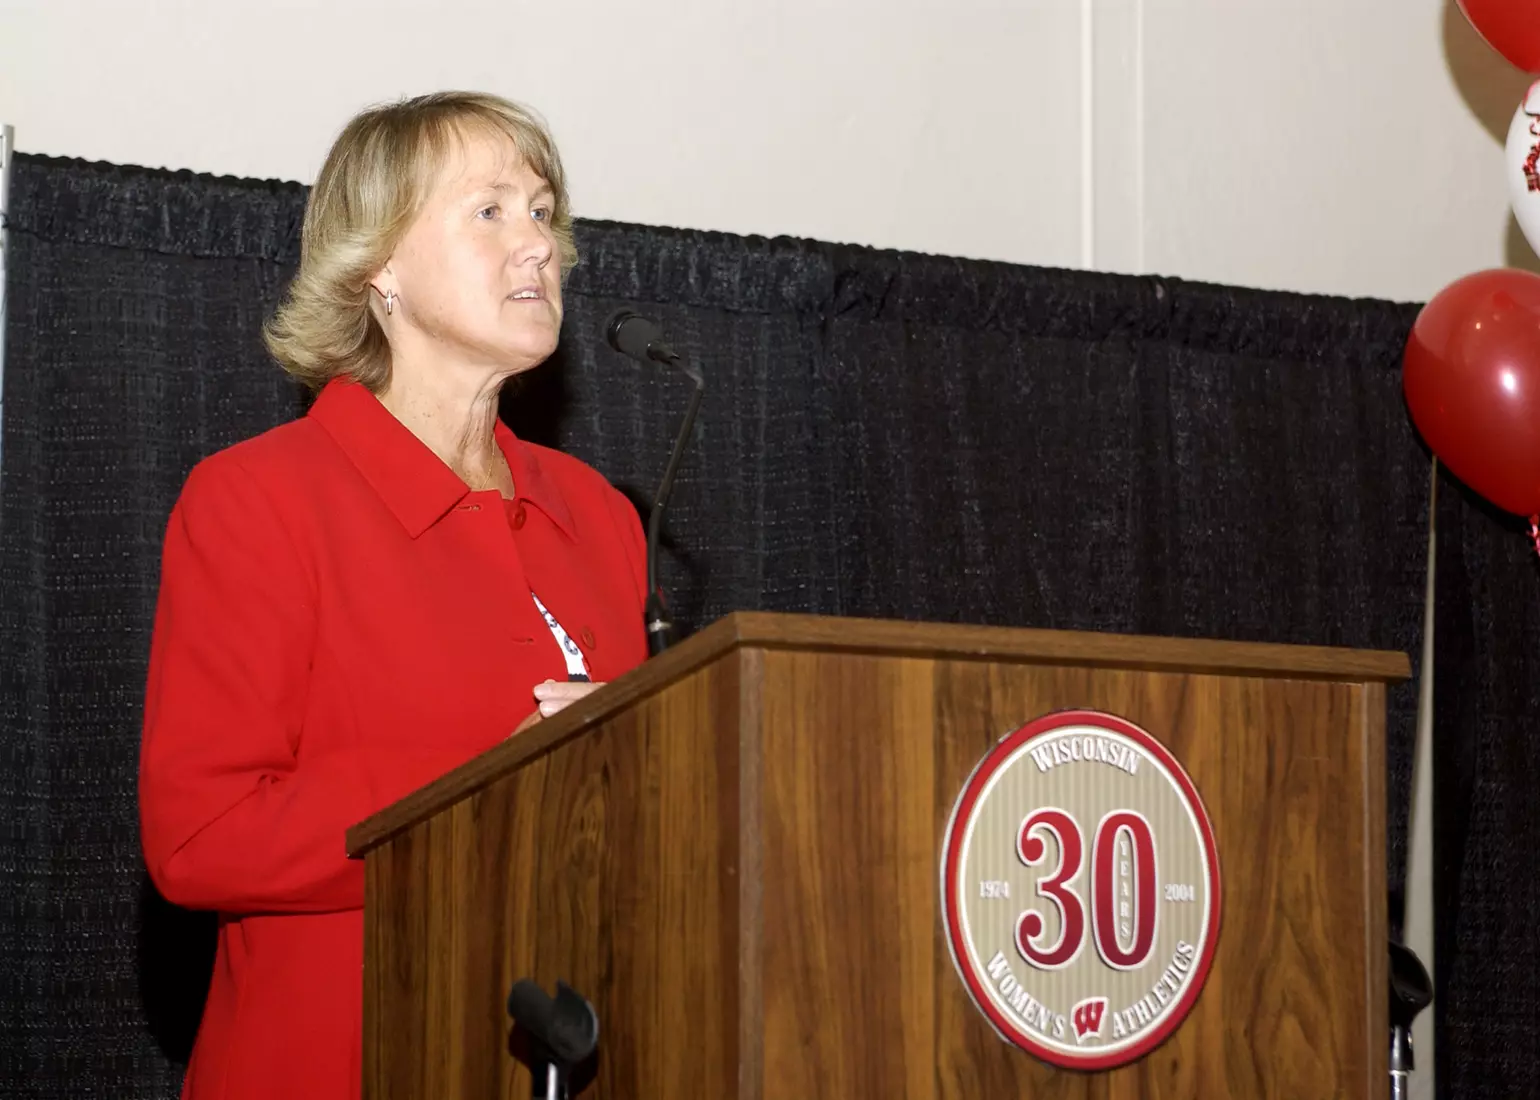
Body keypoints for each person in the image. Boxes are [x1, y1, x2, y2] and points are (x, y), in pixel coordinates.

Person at [137, 91, 650, 1100]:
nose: (537, 245)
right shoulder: (260, 500)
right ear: (378, 267)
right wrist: (488, 782)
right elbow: (201, 834)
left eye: (542, 212)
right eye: (489, 210)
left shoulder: (601, 516)